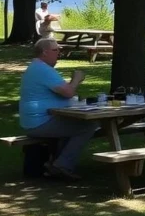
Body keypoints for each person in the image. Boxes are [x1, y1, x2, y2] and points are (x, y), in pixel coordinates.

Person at [19, 38, 98, 180]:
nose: (59, 53)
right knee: (88, 125)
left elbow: (61, 92)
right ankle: (62, 165)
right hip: (40, 122)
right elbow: (68, 92)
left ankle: (56, 164)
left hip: (36, 120)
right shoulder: (43, 70)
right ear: (45, 52)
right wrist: (77, 79)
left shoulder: (37, 67)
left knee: (73, 125)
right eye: (56, 50)